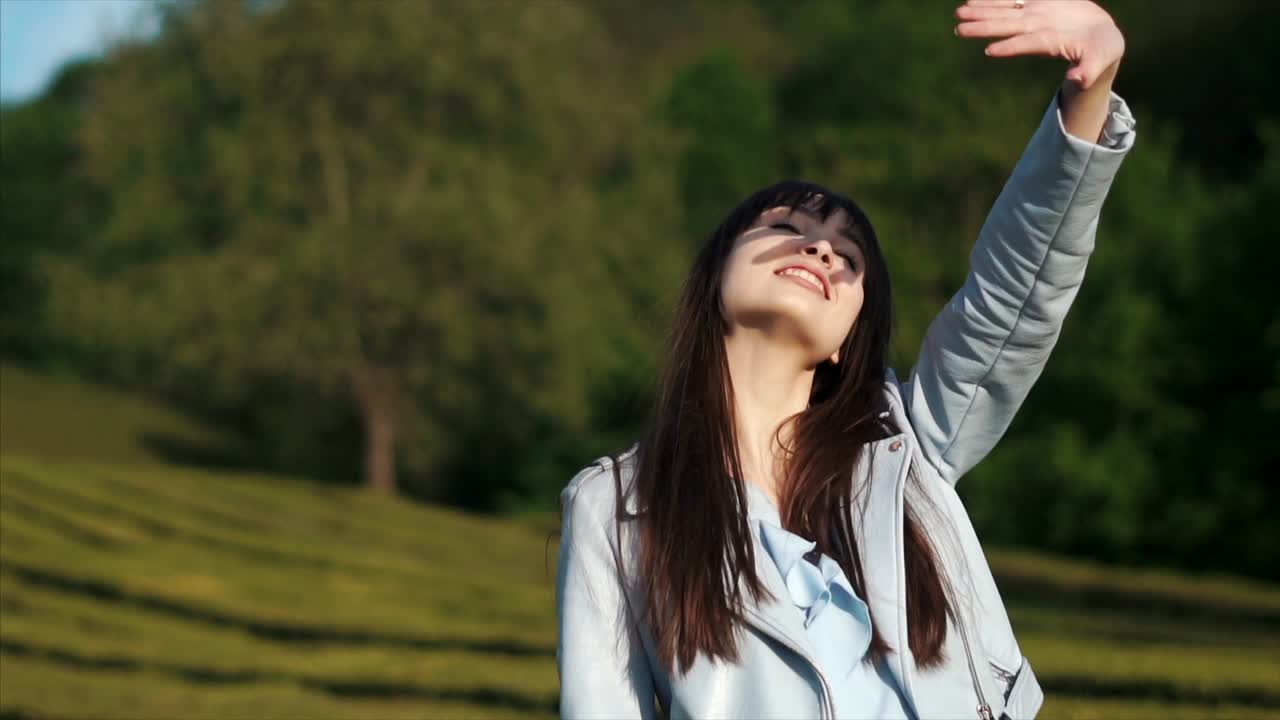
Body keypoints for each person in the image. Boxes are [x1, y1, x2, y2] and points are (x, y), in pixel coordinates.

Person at [555, 1, 1137, 718]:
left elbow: (1015, 291)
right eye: (785, 227)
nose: (822, 249)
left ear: (845, 340)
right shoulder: (613, 508)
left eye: (848, 254)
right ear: (713, 279)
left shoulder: (907, 448)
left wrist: (1092, 90)